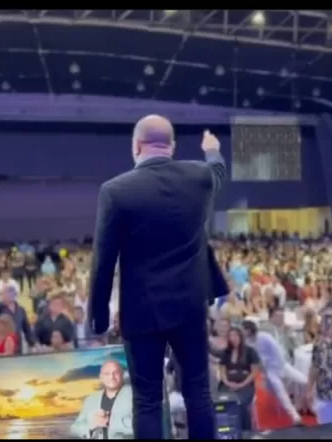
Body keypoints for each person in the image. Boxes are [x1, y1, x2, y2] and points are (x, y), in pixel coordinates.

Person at [88, 116, 228, 439]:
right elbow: (218, 172)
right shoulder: (199, 176)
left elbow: (103, 261)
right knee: (198, 393)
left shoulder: (115, 191)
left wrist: (98, 317)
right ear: (172, 147)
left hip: (142, 312)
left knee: (147, 401)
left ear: (136, 146)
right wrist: (212, 149)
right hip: (190, 306)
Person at [70, 360, 133, 439]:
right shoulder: (90, 400)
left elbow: (144, 426)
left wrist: (112, 422)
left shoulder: (135, 397)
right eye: (107, 374)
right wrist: (92, 425)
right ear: (101, 377)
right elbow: (74, 430)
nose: (111, 377)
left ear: (122, 375)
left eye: (116, 373)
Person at [218, 327, 259, 431]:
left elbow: (254, 372)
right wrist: (227, 383)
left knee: (241, 403)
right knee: (222, 402)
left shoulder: (250, 351)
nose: (233, 338)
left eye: (235, 336)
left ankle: (245, 431)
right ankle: (227, 429)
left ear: (240, 337)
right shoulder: (226, 352)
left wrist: (241, 385)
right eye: (230, 336)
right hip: (227, 385)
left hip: (246, 385)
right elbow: (222, 371)